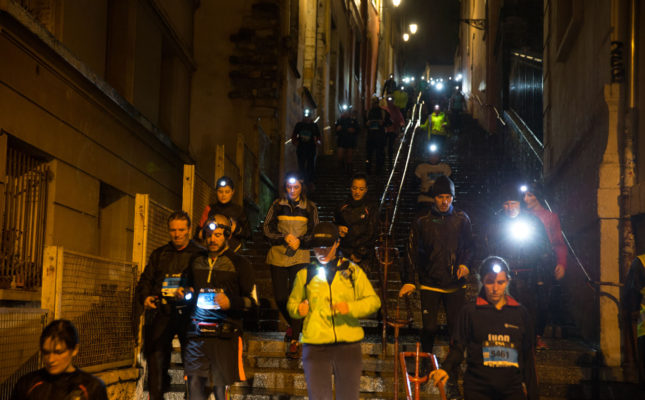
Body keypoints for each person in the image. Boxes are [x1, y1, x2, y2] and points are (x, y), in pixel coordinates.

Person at [287, 222, 381, 400]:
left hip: (347, 344)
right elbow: (292, 304)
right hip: (315, 345)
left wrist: (350, 308)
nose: (321, 251)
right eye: (317, 247)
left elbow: (373, 301)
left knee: (347, 396)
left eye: (326, 246)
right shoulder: (305, 274)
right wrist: (298, 309)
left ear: (337, 243)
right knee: (319, 397)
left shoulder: (352, 271)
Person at [400, 175, 474, 398]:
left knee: (455, 328)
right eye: (440, 197)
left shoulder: (462, 218)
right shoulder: (422, 219)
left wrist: (465, 264)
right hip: (430, 281)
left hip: (454, 284)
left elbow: (470, 246)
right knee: (429, 327)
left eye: (448, 197)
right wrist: (410, 279)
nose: (444, 201)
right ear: (434, 198)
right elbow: (411, 250)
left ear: (453, 197)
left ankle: (452, 370)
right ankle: (424, 363)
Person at [429, 256, 539, 400]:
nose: (495, 288)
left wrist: (533, 395)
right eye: (489, 282)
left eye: (500, 282)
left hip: (511, 390)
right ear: (481, 281)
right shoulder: (470, 312)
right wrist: (445, 369)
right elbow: (458, 347)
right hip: (478, 390)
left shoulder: (520, 313)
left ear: (508, 281)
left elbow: (528, 358)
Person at [180, 214, 256, 400]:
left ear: (227, 236)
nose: (212, 239)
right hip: (197, 335)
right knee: (195, 389)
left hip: (225, 335)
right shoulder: (195, 261)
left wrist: (231, 302)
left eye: (218, 235)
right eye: (208, 235)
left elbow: (253, 304)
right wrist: (183, 294)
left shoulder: (240, 264)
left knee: (220, 391)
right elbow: (186, 289)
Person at [134, 211, 206, 400]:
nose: (177, 234)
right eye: (173, 230)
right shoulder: (159, 254)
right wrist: (145, 297)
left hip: (189, 315)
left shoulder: (199, 254)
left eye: (181, 230)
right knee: (156, 365)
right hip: (161, 313)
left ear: (189, 230)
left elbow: (206, 284)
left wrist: (190, 291)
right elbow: (145, 281)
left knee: (193, 364)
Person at [486, 184, 554, 349]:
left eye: (513, 203)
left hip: (527, 272)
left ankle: (533, 337)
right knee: (502, 307)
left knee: (531, 308)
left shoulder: (532, 221)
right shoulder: (497, 223)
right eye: (507, 203)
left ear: (520, 204)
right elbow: (490, 246)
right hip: (505, 272)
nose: (510, 207)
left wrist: (540, 268)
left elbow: (543, 245)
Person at [263, 172, 319, 358]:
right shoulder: (277, 205)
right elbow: (266, 228)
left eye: (296, 187)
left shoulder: (310, 207)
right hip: (279, 256)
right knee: (280, 298)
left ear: (302, 187)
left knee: (296, 296)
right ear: (285, 187)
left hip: (300, 256)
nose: (292, 191)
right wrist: (282, 237)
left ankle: (295, 339)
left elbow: (315, 232)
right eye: (289, 187)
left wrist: (301, 241)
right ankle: (295, 324)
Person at [11, 319, 108, 400]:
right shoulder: (27, 384)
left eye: (58, 352)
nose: (50, 359)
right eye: (46, 352)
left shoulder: (92, 388)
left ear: (74, 350)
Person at [522, 182, 566, 342]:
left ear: (538, 196)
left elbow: (558, 242)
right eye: (525, 195)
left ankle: (537, 334)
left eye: (530, 194)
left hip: (543, 263)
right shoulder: (521, 215)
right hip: (525, 262)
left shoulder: (550, 217)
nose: (526, 198)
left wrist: (561, 263)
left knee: (542, 301)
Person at [195, 176, 251, 252]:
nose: (223, 195)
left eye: (227, 191)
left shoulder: (238, 210)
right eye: (220, 191)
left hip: (233, 251)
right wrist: (205, 231)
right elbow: (198, 233)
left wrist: (237, 229)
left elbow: (248, 234)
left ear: (232, 192)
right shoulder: (209, 209)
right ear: (216, 192)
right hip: (212, 249)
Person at [334, 173, 378, 268]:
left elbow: (372, 233)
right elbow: (332, 225)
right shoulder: (342, 206)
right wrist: (338, 228)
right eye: (354, 188)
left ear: (366, 190)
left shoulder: (371, 208)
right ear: (350, 188)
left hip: (363, 256)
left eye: (361, 189)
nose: (357, 192)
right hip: (344, 253)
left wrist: (359, 253)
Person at [414, 144, 452, 218]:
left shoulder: (445, 168)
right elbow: (414, 184)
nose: (433, 157)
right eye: (431, 155)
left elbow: (450, 184)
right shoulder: (421, 167)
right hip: (425, 198)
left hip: (442, 200)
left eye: (435, 155)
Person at [292, 109, 321, 185]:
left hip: (311, 148)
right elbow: (294, 135)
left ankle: (309, 180)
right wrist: (295, 142)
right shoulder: (299, 125)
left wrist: (317, 142)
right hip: (301, 148)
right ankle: (303, 180)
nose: (307, 117)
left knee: (310, 165)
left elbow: (318, 136)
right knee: (301, 164)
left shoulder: (314, 126)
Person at [335, 105, 361, 175]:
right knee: (340, 156)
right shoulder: (339, 120)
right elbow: (335, 130)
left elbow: (358, 130)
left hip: (350, 141)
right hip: (341, 140)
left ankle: (349, 172)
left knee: (349, 157)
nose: (345, 113)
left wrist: (353, 130)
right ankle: (342, 168)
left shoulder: (353, 121)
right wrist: (337, 129)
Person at [365, 96, 387, 174]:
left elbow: (388, 122)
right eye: (373, 103)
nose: (374, 104)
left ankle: (379, 168)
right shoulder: (368, 111)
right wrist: (368, 123)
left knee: (379, 153)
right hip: (371, 135)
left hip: (379, 136)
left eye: (376, 103)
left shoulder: (382, 111)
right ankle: (368, 168)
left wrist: (382, 122)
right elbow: (365, 123)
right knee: (369, 154)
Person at [383, 96, 405, 166]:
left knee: (390, 146)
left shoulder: (396, 109)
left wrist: (401, 125)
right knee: (384, 145)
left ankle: (390, 159)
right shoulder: (384, 109)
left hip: (393, 130)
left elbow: (400, 118)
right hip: (385, 131)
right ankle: (384, 159)